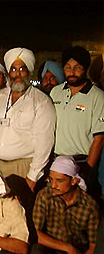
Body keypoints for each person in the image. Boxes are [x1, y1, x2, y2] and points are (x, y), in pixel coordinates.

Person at [0, 47, 56, 192]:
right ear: (9, 73)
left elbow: (45, 142)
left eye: (22, 69)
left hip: (24, 168)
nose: (18, 74)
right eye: (13, 70)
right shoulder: (0, 97)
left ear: (29, 71)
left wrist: (32, 177)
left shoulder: (41, 101)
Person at [50, 46, 104, 202]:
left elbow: (99, 138)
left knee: (81, 211)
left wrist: (87, 169)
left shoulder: (97, 97)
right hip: (56, 163)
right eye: (68, 67)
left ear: (85, 69)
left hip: (81, 164)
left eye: (77, 67)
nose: (72, 72)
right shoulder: (56, 92)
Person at [32, 156, 99, 254]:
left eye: (59, 181)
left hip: (78, 249)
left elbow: (94, 245)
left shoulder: (89, 206)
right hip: (52, 246)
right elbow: (35, 233)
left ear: (73, 181)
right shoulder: (44, 196)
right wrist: (67, 248)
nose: (53, 185)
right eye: (51, 180)